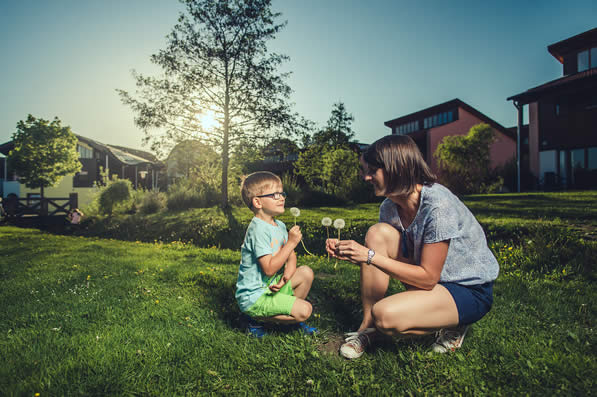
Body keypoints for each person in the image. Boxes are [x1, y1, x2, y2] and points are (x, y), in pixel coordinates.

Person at [326, 135, 499, 359]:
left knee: (386, 316)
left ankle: (456, 323)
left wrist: (369, 256)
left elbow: (427, 277)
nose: (366, 177)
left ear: (395, 169)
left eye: (372, 171)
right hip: (431, 281)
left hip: (467, 289)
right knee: (376, 233)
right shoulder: (389, 207)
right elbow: (387, 259)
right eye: (364, 170)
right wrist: (356, 254)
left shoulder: (438, 205)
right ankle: (367, 328)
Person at [236, 171, 317, 337]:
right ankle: (253, 319)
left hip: (271, 286)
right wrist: (291, 242)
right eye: (275, 195)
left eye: (282, 193)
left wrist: (285, 279)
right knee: (305, 310)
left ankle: (289, 315)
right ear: (258, 202)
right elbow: (269, 269)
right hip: (254, 296)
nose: (282, 198)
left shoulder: (279, 225)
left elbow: (291, 257)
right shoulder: (258, 229)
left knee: (306, 272)